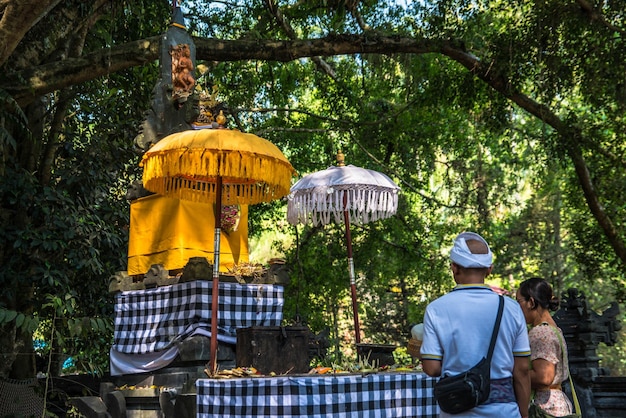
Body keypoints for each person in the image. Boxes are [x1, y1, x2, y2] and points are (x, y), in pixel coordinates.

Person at [421, 231, 531, 417]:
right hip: (504, 412)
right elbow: (521, 370)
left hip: (458, 411)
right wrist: (524, 414)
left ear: (454, 268)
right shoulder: (511, 309)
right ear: (489, 269)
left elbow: (431, 369)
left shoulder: (436, 309)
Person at [516, 278, 573, 416]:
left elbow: (544, 377)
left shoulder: (541, 333)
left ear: (531, 302)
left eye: (519, 302)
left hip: (545, 407)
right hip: (556, 403)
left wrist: (515, 372)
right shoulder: (553, 329)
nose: (517, 307)